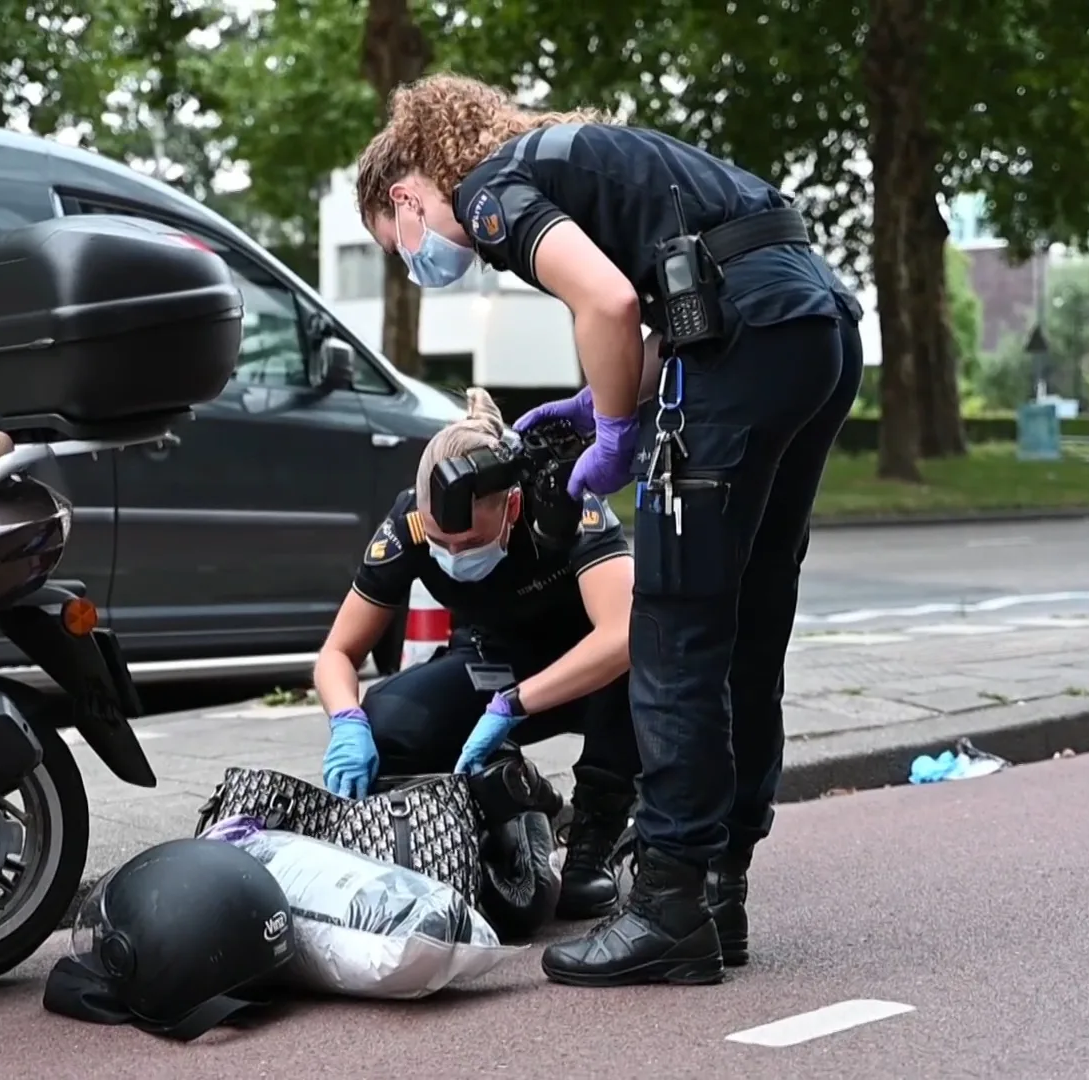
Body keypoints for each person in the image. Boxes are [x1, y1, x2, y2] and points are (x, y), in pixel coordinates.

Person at [350, 75, 863, 988]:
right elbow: (667, 290)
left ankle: (669, 906)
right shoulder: (580, 157)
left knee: (672, 622)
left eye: (402, 243)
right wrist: (601, 401)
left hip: (747, 335)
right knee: (749, 615)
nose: (420, 257)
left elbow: (609, 305)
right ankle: (719, 891)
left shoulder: (488, 190)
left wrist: (622, 435)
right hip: (813, 323)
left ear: (406, 196)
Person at [312, 388, 640, 922]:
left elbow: (622, 633)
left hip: (587, 675)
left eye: (468, 543)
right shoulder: (411, 526)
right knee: (389, 719)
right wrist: (346, 719)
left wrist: (517, 703)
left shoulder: (562, 502)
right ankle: (509, 806)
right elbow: (338, 652)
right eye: (443, 544)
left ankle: (594, 841)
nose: (454, 555)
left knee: (644, 666)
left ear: (511, 506)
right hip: (492, 665)